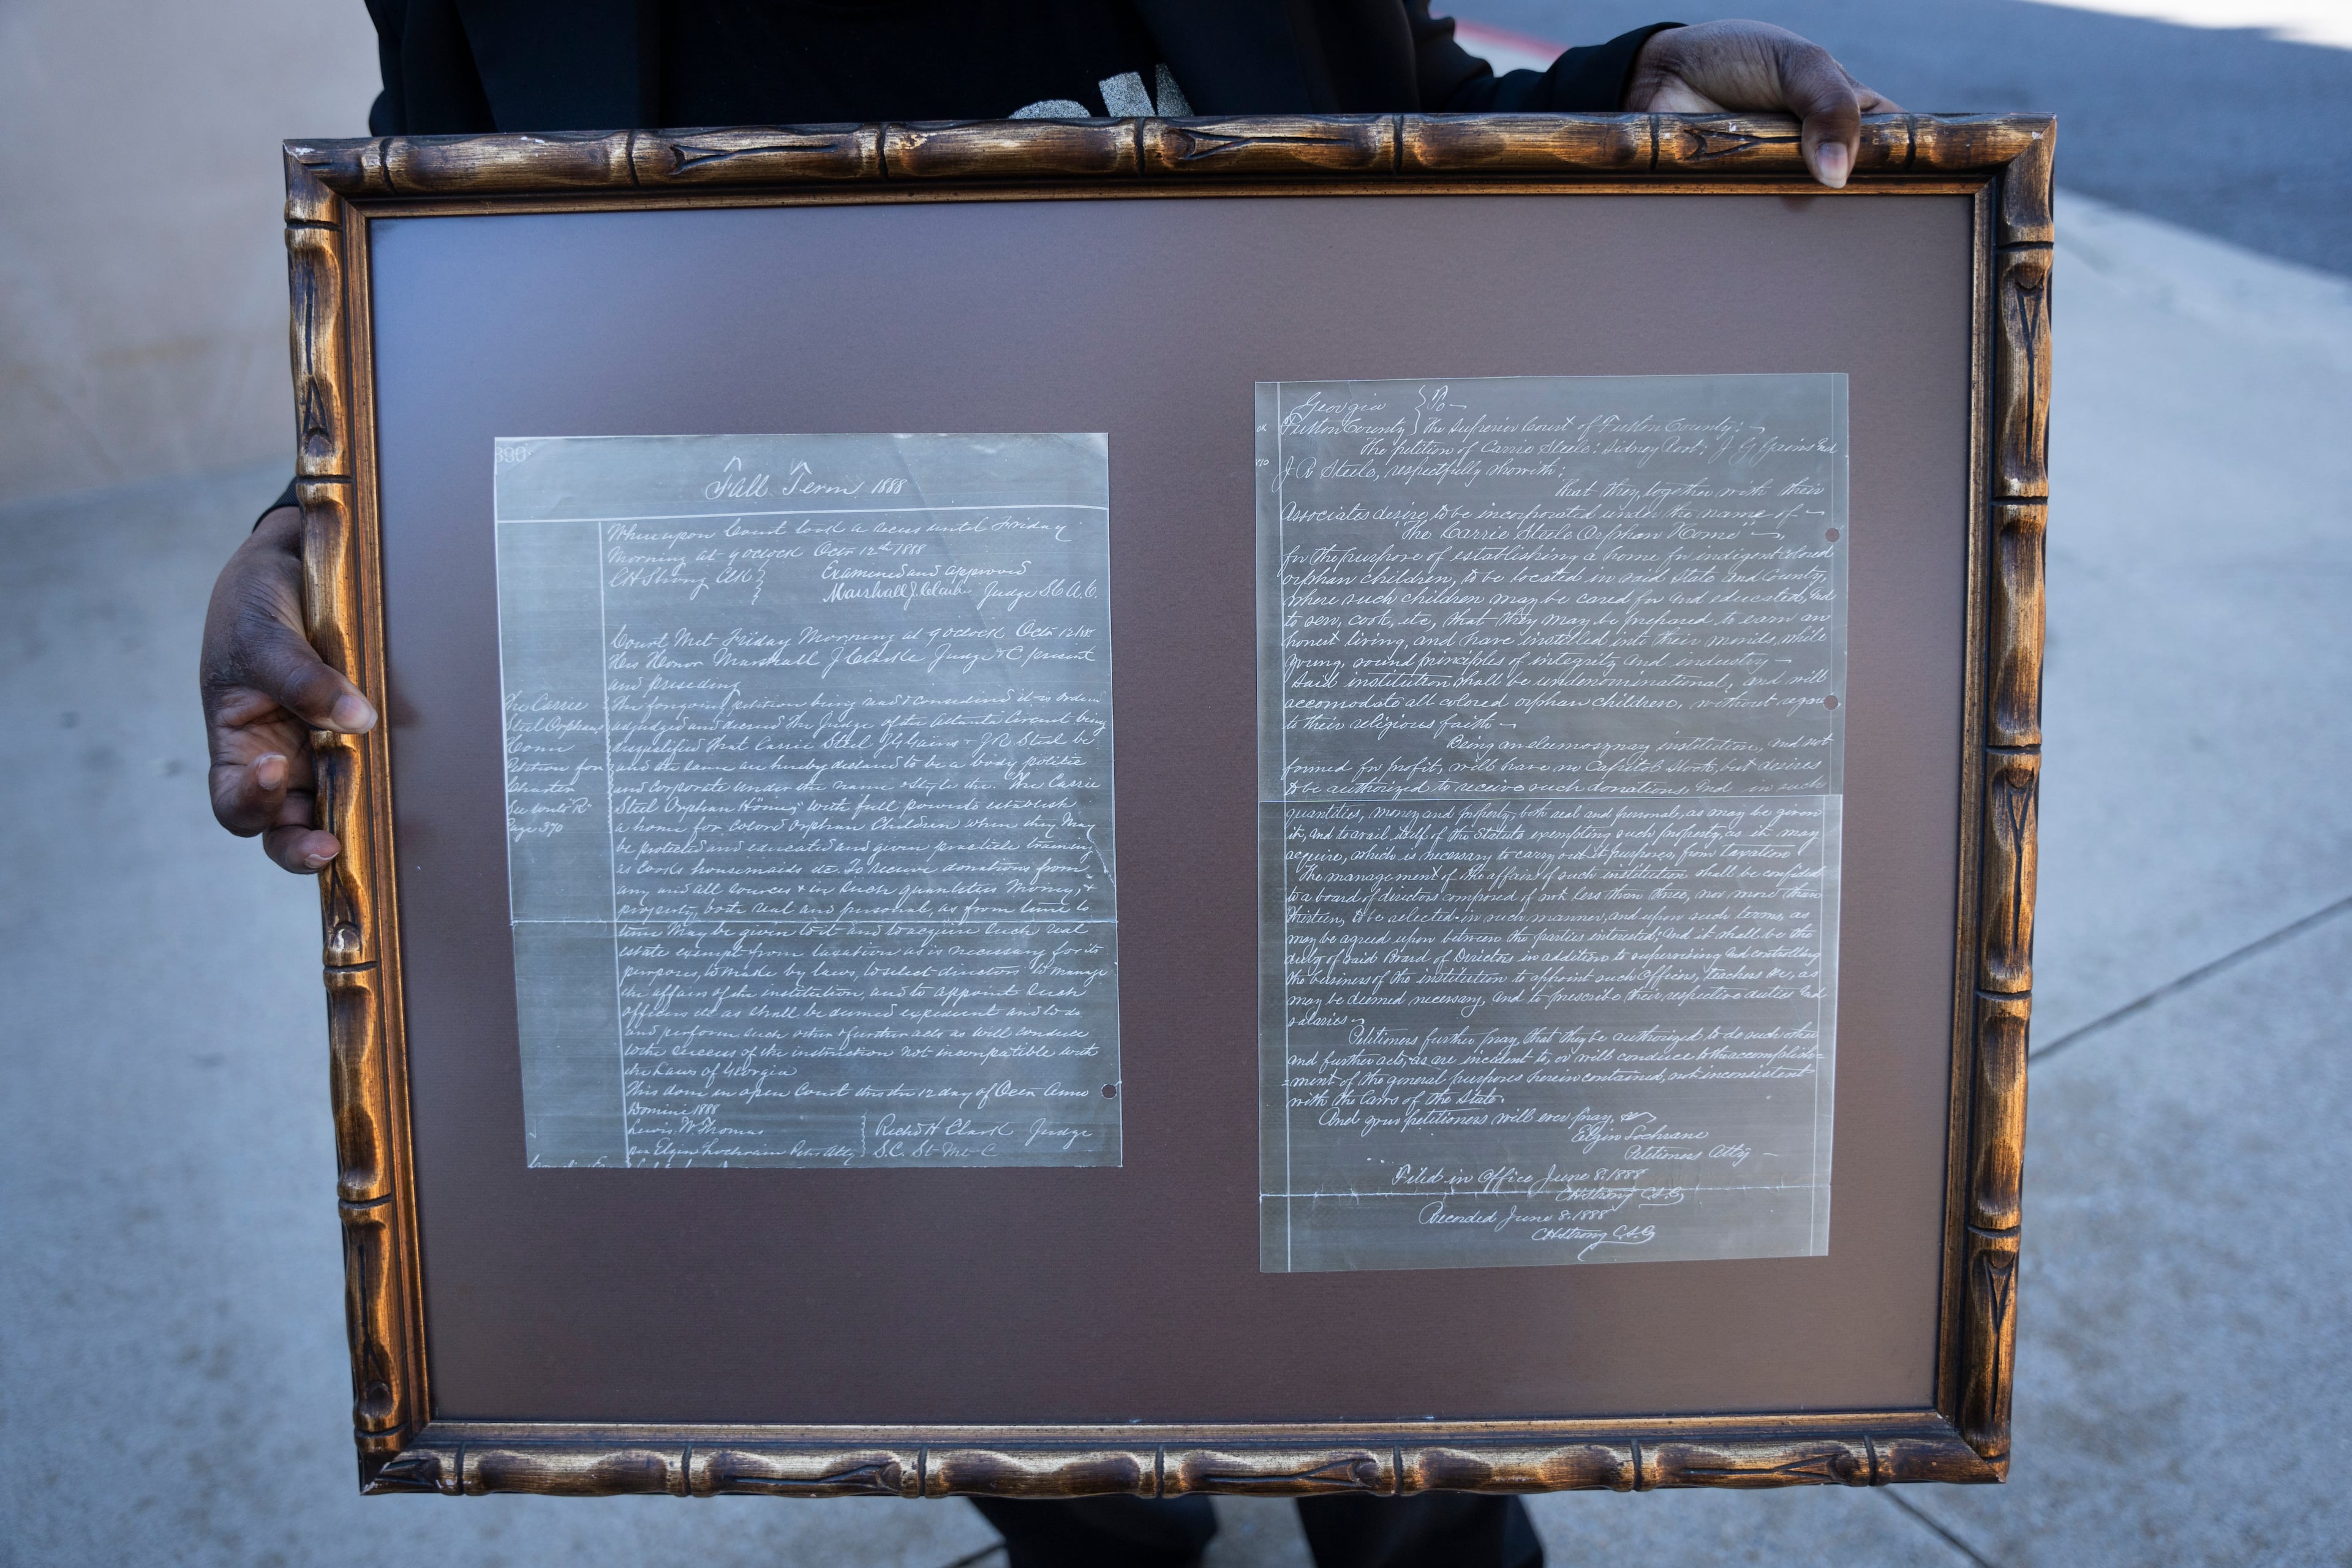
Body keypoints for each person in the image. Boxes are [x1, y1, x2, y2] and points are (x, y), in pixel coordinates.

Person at [199, 6, 1895, 1564]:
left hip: (1319, 698)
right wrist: (321, 532)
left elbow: (1401, 107)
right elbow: (451, 279)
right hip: (869, 794)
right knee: (1007, 1340)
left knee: (1416, 1393)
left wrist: (1631, 117)